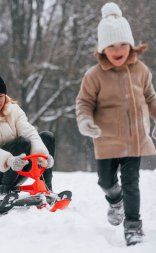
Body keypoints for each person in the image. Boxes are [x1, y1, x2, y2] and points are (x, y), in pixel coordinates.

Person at [76, 2, 156, 246]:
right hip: (106, 140)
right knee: (105, 181)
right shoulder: (94, 75)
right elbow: (84, 103)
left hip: (134, 139)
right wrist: (86, 120)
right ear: (102, 48)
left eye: (122, 43)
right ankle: (115, 200)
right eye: (111, 45)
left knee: (132, 183)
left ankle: (133, 226)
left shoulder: (141, 70)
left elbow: (151, 98)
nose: (118, 49)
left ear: (130, 44)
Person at [0, 69, 55, 210]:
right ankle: (4, 191)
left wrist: (43, 156)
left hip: (18, 165)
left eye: (0, 96)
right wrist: (9, 160)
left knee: (46, 137)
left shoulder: (14, 110)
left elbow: (29, 132)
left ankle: (46, 189)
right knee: (22, 143)